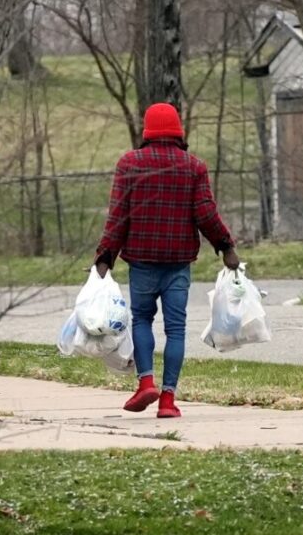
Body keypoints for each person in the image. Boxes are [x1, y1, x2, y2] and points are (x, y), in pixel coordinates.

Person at [95, 103, 239, 418]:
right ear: (177, 129)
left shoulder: (129, 164)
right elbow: (205, 213)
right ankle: (168, 400)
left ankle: (146, 382)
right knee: (175, 328)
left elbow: (118, 216)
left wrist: (105, 257)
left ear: (147, 130)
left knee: (142, 319)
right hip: (177, 263)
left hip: (142, 261)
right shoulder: (193, 166)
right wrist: (225, 245)